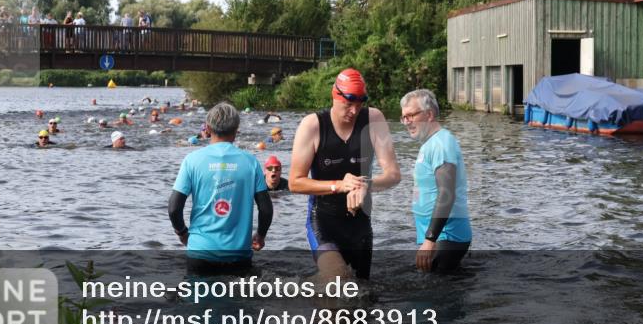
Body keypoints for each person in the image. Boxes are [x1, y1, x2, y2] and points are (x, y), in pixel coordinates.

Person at [289, 68, 400, 281]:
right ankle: (303, 296)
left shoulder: (374, 119)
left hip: (360, 224)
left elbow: (393, 174)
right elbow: (295, 183)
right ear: (335, 95)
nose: (354, 110)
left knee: (361, 296)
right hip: (323, 222)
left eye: (359, 104)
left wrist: (367, 184)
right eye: (348, 103)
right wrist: (339, 185)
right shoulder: (312, 126)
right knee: (338, 277)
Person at [168, 101, 273, 274]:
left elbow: (174, 208)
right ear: (236, 129)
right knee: (239, 299)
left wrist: (183, 234)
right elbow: (266, 209)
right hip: (238, 254)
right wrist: (260, 236)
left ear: (207, 128)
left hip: (200, 252)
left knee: (198, 299)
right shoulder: (250, 162)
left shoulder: (192, 160)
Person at [400, 89, 472, 273]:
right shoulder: (431, 143)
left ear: (429, 114)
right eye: (404, 117)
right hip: (438, 235)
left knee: (434, 297)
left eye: (411, 116)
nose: (407, 122)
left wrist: (430, 240)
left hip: (446, 235)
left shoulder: (441, 144)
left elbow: (446, 193)